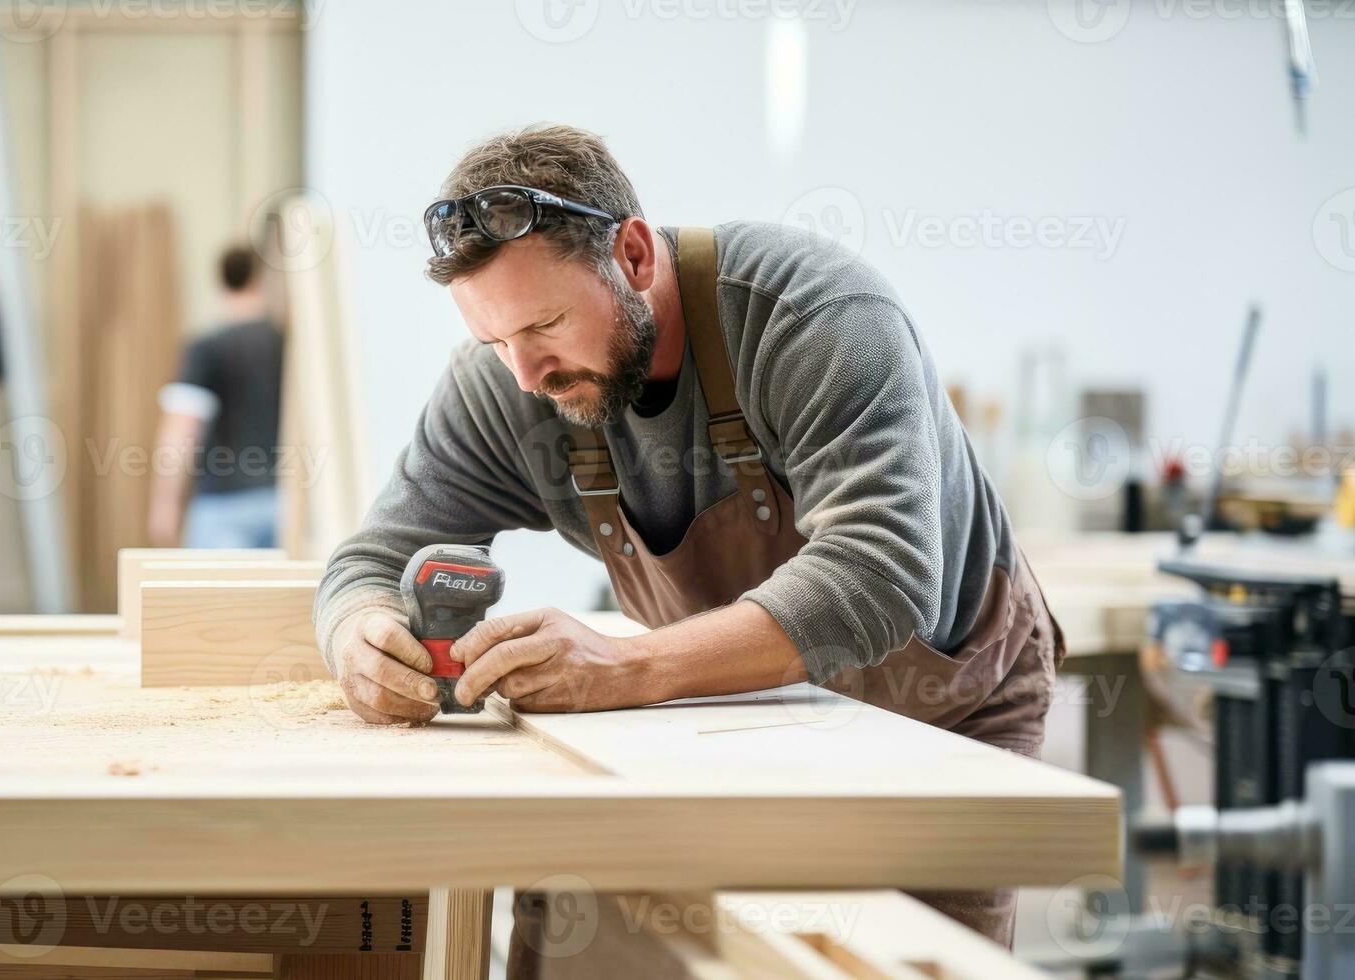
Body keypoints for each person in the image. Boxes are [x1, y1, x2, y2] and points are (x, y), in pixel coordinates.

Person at [312, 125, 1065, 949]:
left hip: (939, 709)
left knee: (904, 960)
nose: (527, 374)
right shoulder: (508, 383)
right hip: (739, 711)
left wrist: (627, 667)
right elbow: (372, 559)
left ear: (633, 255)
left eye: (547, 325)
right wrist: (357, 632)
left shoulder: (812, 318)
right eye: (496, 341)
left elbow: (878, 573)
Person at [147, 245, 283, 549]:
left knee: (224, 596)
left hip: (224, 506)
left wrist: (166, 505)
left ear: (222, 283)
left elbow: (181, 431)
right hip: (284, 500)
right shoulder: (287, 343)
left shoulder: (208, 348)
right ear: (262, 279)